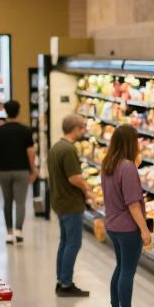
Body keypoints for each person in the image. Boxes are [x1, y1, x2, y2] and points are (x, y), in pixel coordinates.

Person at [100, 124, 153, 307]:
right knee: (127, 272)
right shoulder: (128, 167)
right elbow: (132, 203)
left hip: (112, 224)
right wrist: (144, 230)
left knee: (120, 268)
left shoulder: (108, 164)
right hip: (127, 227)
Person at [48, 113, 90, 297]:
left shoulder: (56, 147)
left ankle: (61, 279)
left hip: (59, 201)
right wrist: (86, 188)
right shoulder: (69, 150)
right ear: (76, 129)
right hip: (71, 202)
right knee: (73, 243)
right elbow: (74, 178)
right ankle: (66, 283)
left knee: (65, 242)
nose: (85, 130)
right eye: (83, 127)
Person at [0, 100, 37, 244]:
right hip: (22, 170)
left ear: (5, 112)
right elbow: (31, 152)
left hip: (4, 170)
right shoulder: (25, 131)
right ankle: (19, 231)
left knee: (7, 201)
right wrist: (33, 169)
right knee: (20, 202)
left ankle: (9, 233)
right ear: (18, 111)